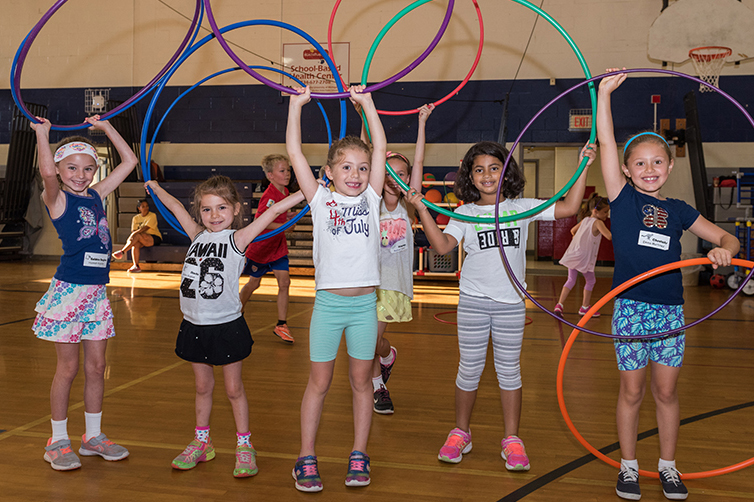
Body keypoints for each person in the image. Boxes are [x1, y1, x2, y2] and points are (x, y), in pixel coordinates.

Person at [406, 140, 594, 472]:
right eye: (479, 169)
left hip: (510, 304)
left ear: (506, 172)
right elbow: (443, 245)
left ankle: (512, 439)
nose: (487, 175)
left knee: (509, 373)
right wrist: (422, 209)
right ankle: (461, 432)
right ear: (470, 176)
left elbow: (569, 207)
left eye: (494, 168)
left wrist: (583, 167)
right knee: (469, 370)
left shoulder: (520, 207)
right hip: (474, 302)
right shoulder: (463, 212)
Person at [598, 69, 738, 501]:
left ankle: (668, 467)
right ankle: (628, 467)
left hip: (669, 312)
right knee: (632, 391)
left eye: (657, 161)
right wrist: (603, 95)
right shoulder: (622, 198)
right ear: (625, 169)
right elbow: (605, 141)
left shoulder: (678, 209)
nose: (649, 169)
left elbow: (726, 237)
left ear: (670, 166)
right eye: (639, 162)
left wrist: (724, 251)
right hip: (631, 308)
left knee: (666, 391)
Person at [146, 175, 304, 478]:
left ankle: (245, 445)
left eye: (221, 208)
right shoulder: (196, 235)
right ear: (199, 213)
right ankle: (202, 442)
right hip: (194, 325)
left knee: (233, 389)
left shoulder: (238, 238)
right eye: (206, 210)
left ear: (235, 209)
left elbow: (271, 213)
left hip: (226, 325)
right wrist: (155, 188)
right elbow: (176, 206)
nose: (214, 216)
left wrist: (309, 190)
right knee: (202, 387)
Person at [286, 85, 386, 492]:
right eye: (346, 167)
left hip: (365, 307)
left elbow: (379, 146)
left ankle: (359, 454)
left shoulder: (373, 199)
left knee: (362, 383)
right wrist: (296, 107)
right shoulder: (320, 199)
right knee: (320, 383)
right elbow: (294, 152)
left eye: (362, 168)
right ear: (329, 171)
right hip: (328, 306)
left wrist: (368, 104)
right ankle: (305, 457)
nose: (356, 175)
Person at [30, 115, 137, 471]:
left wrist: (106, 129)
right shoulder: (57, 199)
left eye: (88, 168)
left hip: (96, 295)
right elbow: (45, 174)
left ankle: (92, 436)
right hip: (69, 293)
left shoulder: (96, 194)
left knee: (96, 366)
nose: (81, 174)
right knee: (68, 368)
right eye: (72, 167)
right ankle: (57, 440)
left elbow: (131, 162)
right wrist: (43, 136)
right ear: (59, 171)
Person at [372, 103, 434, 415]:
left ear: (408, 177)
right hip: (369, 285)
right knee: (370, 340)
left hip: (395, 285)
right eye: (388, 173)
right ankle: (378, 386)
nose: (395, 178)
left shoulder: (408, 205)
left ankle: (385, 360)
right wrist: (362, 114)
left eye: (401, 174)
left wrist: (422, 121)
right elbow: (365, 151)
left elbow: (420, 159)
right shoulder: (370, 204)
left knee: (372, 341)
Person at [240, 154, 297, 343]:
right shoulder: (270, 195)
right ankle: (236, 312)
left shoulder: (285, 191)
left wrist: (289, 218)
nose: (287, 174)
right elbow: (261, 221)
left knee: (285, 283)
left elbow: (280, 217)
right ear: (271, 175)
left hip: (277, 246)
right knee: (254, 284)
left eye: (288, 170)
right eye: (282, 171)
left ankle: (281, 324)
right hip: (263, 246)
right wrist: (283, 226)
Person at [554, 192, 612, 317]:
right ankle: (584, 307)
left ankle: (559, 305)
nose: (607, 215)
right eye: (605, 212)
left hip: (574, 253)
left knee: (570, 280)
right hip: (584, 257)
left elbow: (572, 230)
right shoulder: (598, 223)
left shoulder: (585, 220)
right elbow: (609, 236)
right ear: (595, 211)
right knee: (591, 280)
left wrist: (579, 242)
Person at [112, 199, 162, 273]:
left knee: (137, 236)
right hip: (141, 238)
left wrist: (133, 234)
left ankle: (122, 252)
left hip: (154, 237)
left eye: (147, 206)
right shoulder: (135, 218)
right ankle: (136, 266)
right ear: (139, 208)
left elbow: (145, 228)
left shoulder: (152, 215)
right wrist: (134, 234)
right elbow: (134, 230)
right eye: (143, 206)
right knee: (136, 244)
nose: (146, 208)